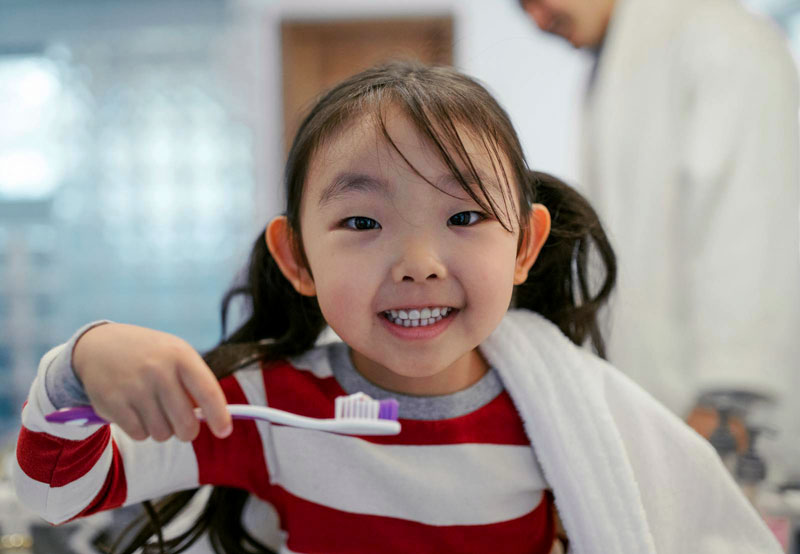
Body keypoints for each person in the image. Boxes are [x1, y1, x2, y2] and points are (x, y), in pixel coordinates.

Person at [13, 62, 781, 554]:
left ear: (525, 245)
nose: (418, 263)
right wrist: (80, 365)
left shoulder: (573, 410)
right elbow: (59, 494)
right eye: (361, 222)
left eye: (464, 217)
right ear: (296, 258)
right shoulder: (265, 408)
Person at [519, 0, 800, 469]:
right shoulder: (622, 59)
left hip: (724, 418)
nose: (536, 20)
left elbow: (754, 231)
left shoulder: (725, 40)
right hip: (663, 416)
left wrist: (729, 397)